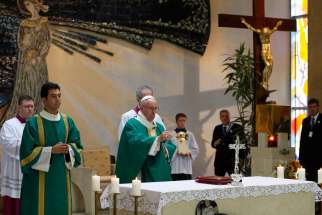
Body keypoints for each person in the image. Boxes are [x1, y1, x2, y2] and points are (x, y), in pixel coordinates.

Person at [19, 82, 83, 215]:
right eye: (53, 96)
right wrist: (50, 150)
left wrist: (68, 149)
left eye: (59, 95)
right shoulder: (33, 123)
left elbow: (77, 146)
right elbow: (26, 155)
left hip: (61, 178)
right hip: (39, 181)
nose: (58, 99)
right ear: (44, 100)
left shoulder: (67, 121)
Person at [2, 0, 50, 123]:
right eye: (26, 5)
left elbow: (46, 42)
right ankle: (24, 117)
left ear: (35, 5)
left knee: (37, 87)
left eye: (29, 4)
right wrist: (26, 46)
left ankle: (38, 116)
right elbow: (20, 43)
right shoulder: (24, 23)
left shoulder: (44, 22)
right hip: (26, 62)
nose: (27, 7)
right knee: (26, 88)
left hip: (38, 62)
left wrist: (38, 56)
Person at [116, 95, 176, 183]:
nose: (154, 112)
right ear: (142, 108)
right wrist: (157, 139)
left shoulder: (159, 126)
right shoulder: (132, 124)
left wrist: (168, 144)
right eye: (151, 108)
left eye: (156, 108)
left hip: (158, 169)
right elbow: (135, 143)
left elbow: (167, 147)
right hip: (139, 171)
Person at [0, 95, 34, 215]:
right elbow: (8, 144)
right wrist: (31, 145)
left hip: (31, 172)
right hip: (14, 171)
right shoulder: (9, 125)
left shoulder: (36, 126)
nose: (30, 109)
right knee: (13, 207)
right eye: (26, 106)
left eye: (31, 106)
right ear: (19, 107)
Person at [241, 18, 283, 91]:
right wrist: (244, 22)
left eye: (268, 33)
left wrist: (278, 24)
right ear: (262, 32)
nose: (267, 34)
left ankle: (266, 81)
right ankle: (264, 81)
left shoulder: (269, 32)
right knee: (268, 65)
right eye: (265, 33)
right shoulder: (259, 32)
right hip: (263, 50)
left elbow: (275, 28)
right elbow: (251, 28)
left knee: (271, 65)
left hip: (269, 50)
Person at [211, 110, 244, 176]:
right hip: (220, 162)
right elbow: (213, 144)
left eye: (226, 116)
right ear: (220, 118)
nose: (225, 118)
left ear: (229, 117)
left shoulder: (237, 127)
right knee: (218, 184)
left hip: (233, 162)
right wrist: (215, 143)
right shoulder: (217, 128)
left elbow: (243, 144)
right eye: (222, 116)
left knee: (235, 183)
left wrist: (241, 159)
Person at [170, 113, 199, 181]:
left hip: (186, 166)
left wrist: (188, 152)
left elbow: (195, 149)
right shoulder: (171, 134)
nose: (182, 122)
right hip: (175, 166)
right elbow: (168, 148)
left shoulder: (190, 134)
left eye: (184, 120)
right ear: (176, 121)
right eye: (180, 120)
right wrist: (176, 151)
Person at [299, 98, 322, 182]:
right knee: (309, 182)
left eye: (314, 107)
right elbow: (302, 140)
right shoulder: (305, 121)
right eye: (310, 107)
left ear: (318, 107)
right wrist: (301, 158)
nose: (312, 109)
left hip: (319, 158)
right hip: (308, 159)